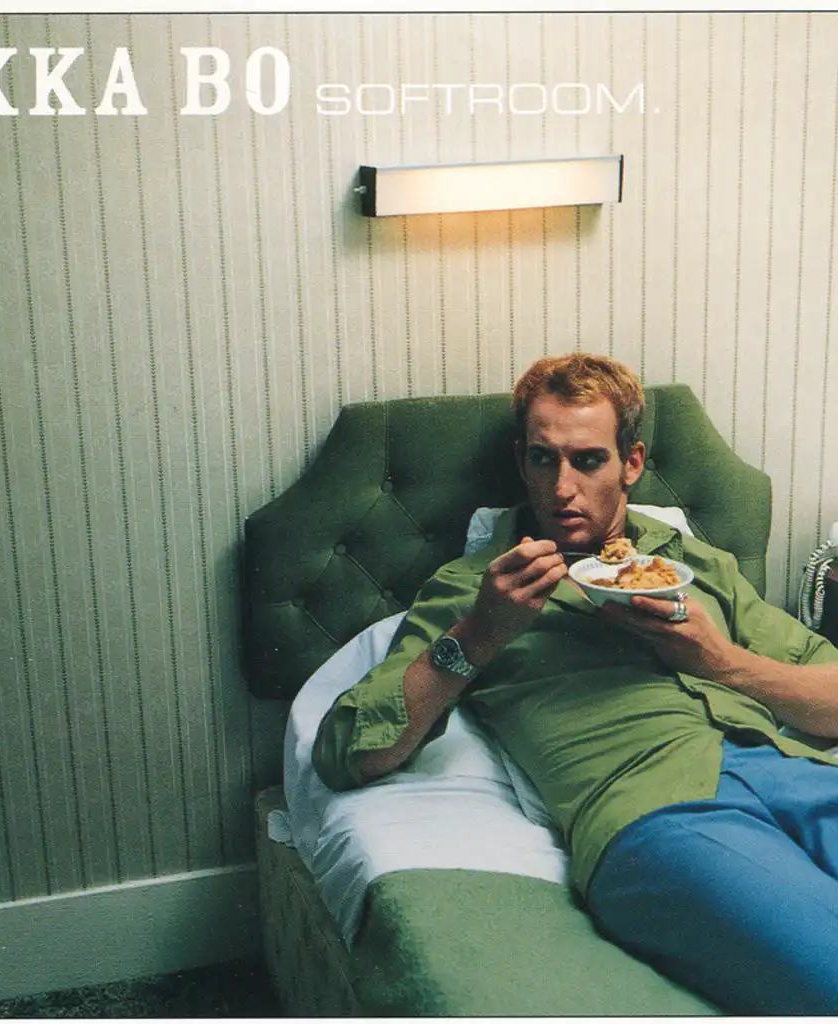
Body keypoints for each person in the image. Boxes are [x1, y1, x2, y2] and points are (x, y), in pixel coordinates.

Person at [312, 353, 838, 1015]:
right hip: (656, 812)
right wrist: (478, 635)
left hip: (796, 771)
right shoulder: (473, 589)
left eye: (588, 461)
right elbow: (348, 751)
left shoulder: (697, 565)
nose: (562, 488)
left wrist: (723, 663)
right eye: (543, 460)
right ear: (521, 461)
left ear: (631, 464)